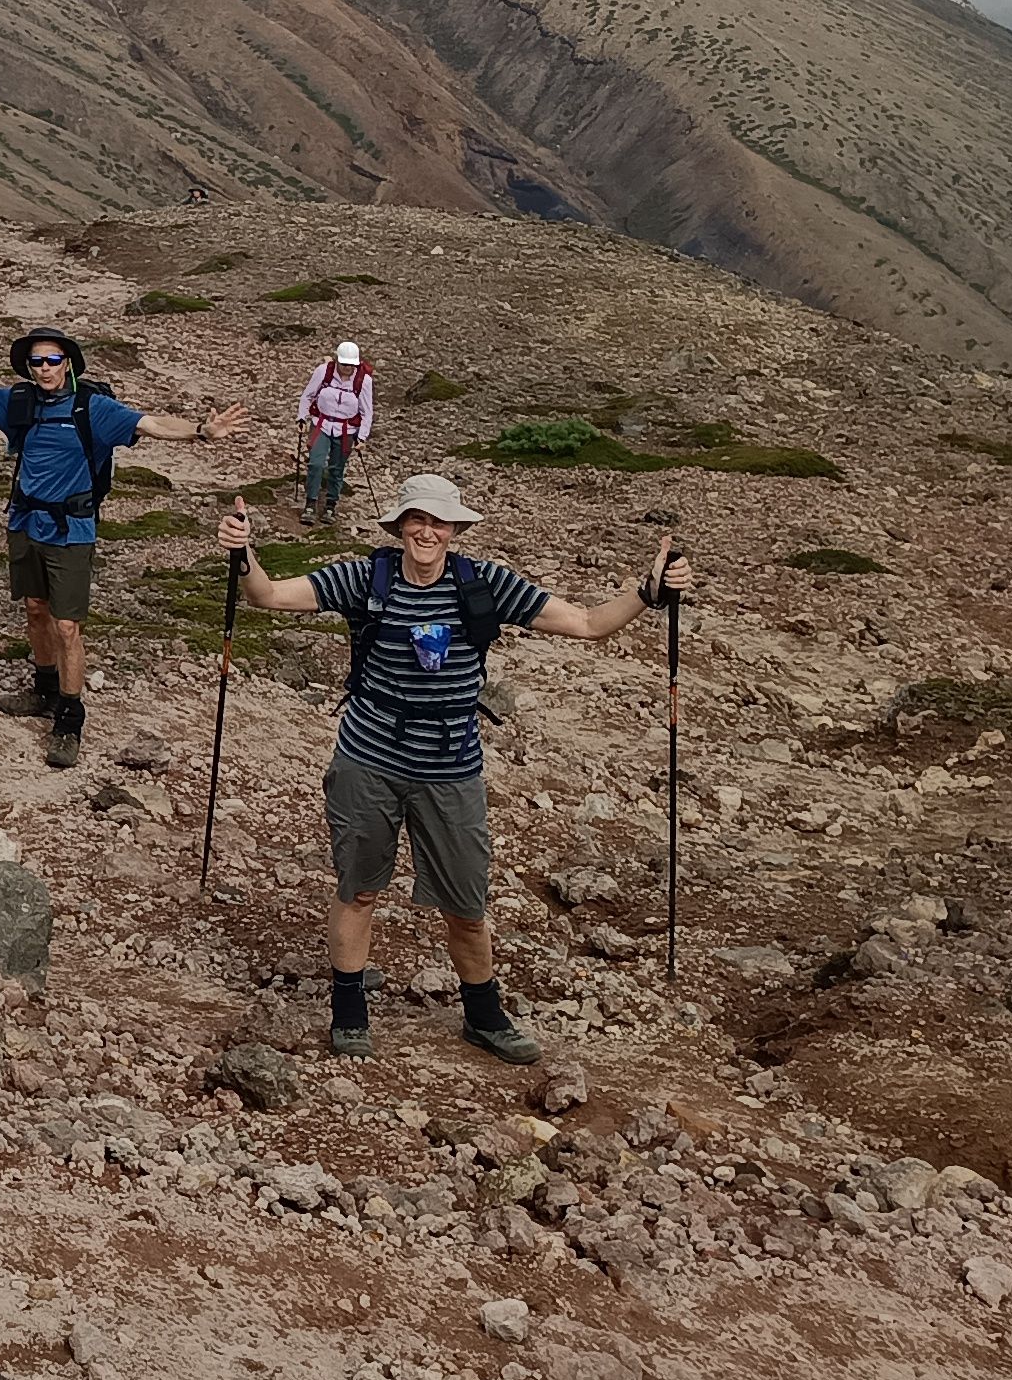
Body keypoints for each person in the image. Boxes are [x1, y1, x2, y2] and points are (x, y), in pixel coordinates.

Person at [215, 474, 689, 1064]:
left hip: (451, 767)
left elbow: (587, 624)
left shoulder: (484, 583)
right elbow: (269, 596)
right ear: (399, 525)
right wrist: (243, 553)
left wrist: (649, 590)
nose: (428, 531)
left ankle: (484, 1016)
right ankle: (349, 1010)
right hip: (367, 760)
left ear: (457, 530)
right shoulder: (366, 576)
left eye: (440, 522)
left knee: (466, 905)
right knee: (359, 889)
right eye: (418, 519)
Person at [0, 322, 248, 768]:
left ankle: (70, 717)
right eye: (36, 361)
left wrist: (200, 430)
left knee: (67, 627)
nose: (43, 368)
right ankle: (43, 690)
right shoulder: (17, 403)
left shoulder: (93, 409)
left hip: (72, 531)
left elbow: (151, 424)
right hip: (25, 522)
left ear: (68, 364)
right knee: (36, 609)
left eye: (52, 360)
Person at [297, 340, 377, 519]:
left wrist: (362, 437)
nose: (347, 368)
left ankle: (330, 505)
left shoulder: (363, 381)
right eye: (344, 364)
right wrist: (301, 417)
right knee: (316, 463)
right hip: (321, 424)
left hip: (347, 430)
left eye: (351, 365)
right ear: (337, 361)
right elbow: (307, 396)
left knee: (337, 468)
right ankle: (310, 503)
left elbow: (366, 412)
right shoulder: (323, 372)